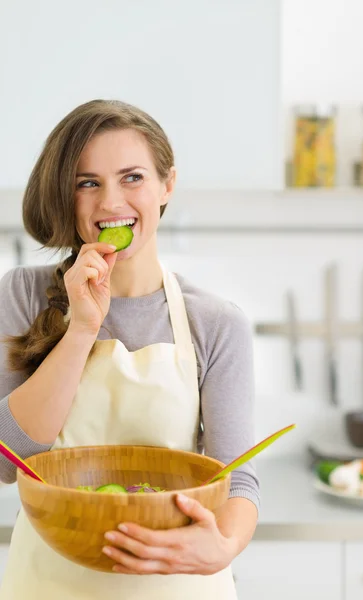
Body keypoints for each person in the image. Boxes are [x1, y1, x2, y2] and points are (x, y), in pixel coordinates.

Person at [0, 99, 259, 599]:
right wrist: (81, 330)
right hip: (50, 581)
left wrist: (223, 547)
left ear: (168, 185)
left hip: (176, 581)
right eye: (87, 182)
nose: (110, 202)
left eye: (133, 177)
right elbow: (8, 461)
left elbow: (238, 480)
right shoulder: (23, 295)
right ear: (66, 194)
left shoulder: (217, 323)